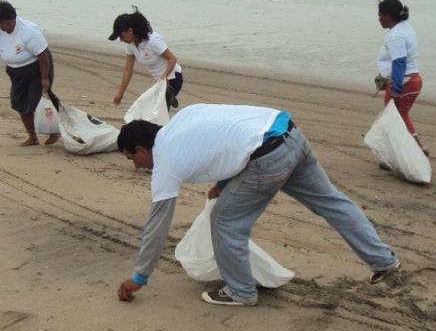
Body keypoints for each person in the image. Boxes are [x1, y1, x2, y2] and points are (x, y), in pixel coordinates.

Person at [115, 104, 400, 306]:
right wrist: (223, 185)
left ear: (142, 150)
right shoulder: (185, 117)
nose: (137, 166)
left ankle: (240, 291)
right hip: (289, 132)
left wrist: (139, 277)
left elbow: (157, 227)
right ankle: (384, 260)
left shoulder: (166, 163)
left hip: (267, 157)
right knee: (331, 202)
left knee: (225, 221)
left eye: (132, 158)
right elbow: (227, 140)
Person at [0, 0, 60, 147]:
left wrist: (45, 78)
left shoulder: (29, 31)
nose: (1, 27)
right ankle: (32, 137)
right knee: (19, 103)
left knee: (37, 101)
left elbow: (43, 55)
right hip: (16, 71)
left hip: (37, 67)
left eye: (3, 23)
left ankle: (54, 131)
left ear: (12, 19)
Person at [375, 0, 427, 156]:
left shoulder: (395, 35)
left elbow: (399, 62)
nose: (379, 18)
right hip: (413, 80)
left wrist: (396, 87)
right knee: (396, 118)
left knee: (397, 119)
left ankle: (418, 149)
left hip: (404, 83)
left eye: (381, 15)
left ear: (389, 16)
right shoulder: (406, 28)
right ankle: (396, 155)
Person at [108, 8, 183, 110]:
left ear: (130, 30)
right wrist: (120, 93)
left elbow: (172, 59)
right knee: (156, 110)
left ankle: (168, 99)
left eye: (121, 36)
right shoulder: (130, 45)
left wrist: (164, 75)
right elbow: (128, 70)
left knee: (157, 110)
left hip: (173, 78)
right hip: (159, 82)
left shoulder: (153, 41)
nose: (121, 40)